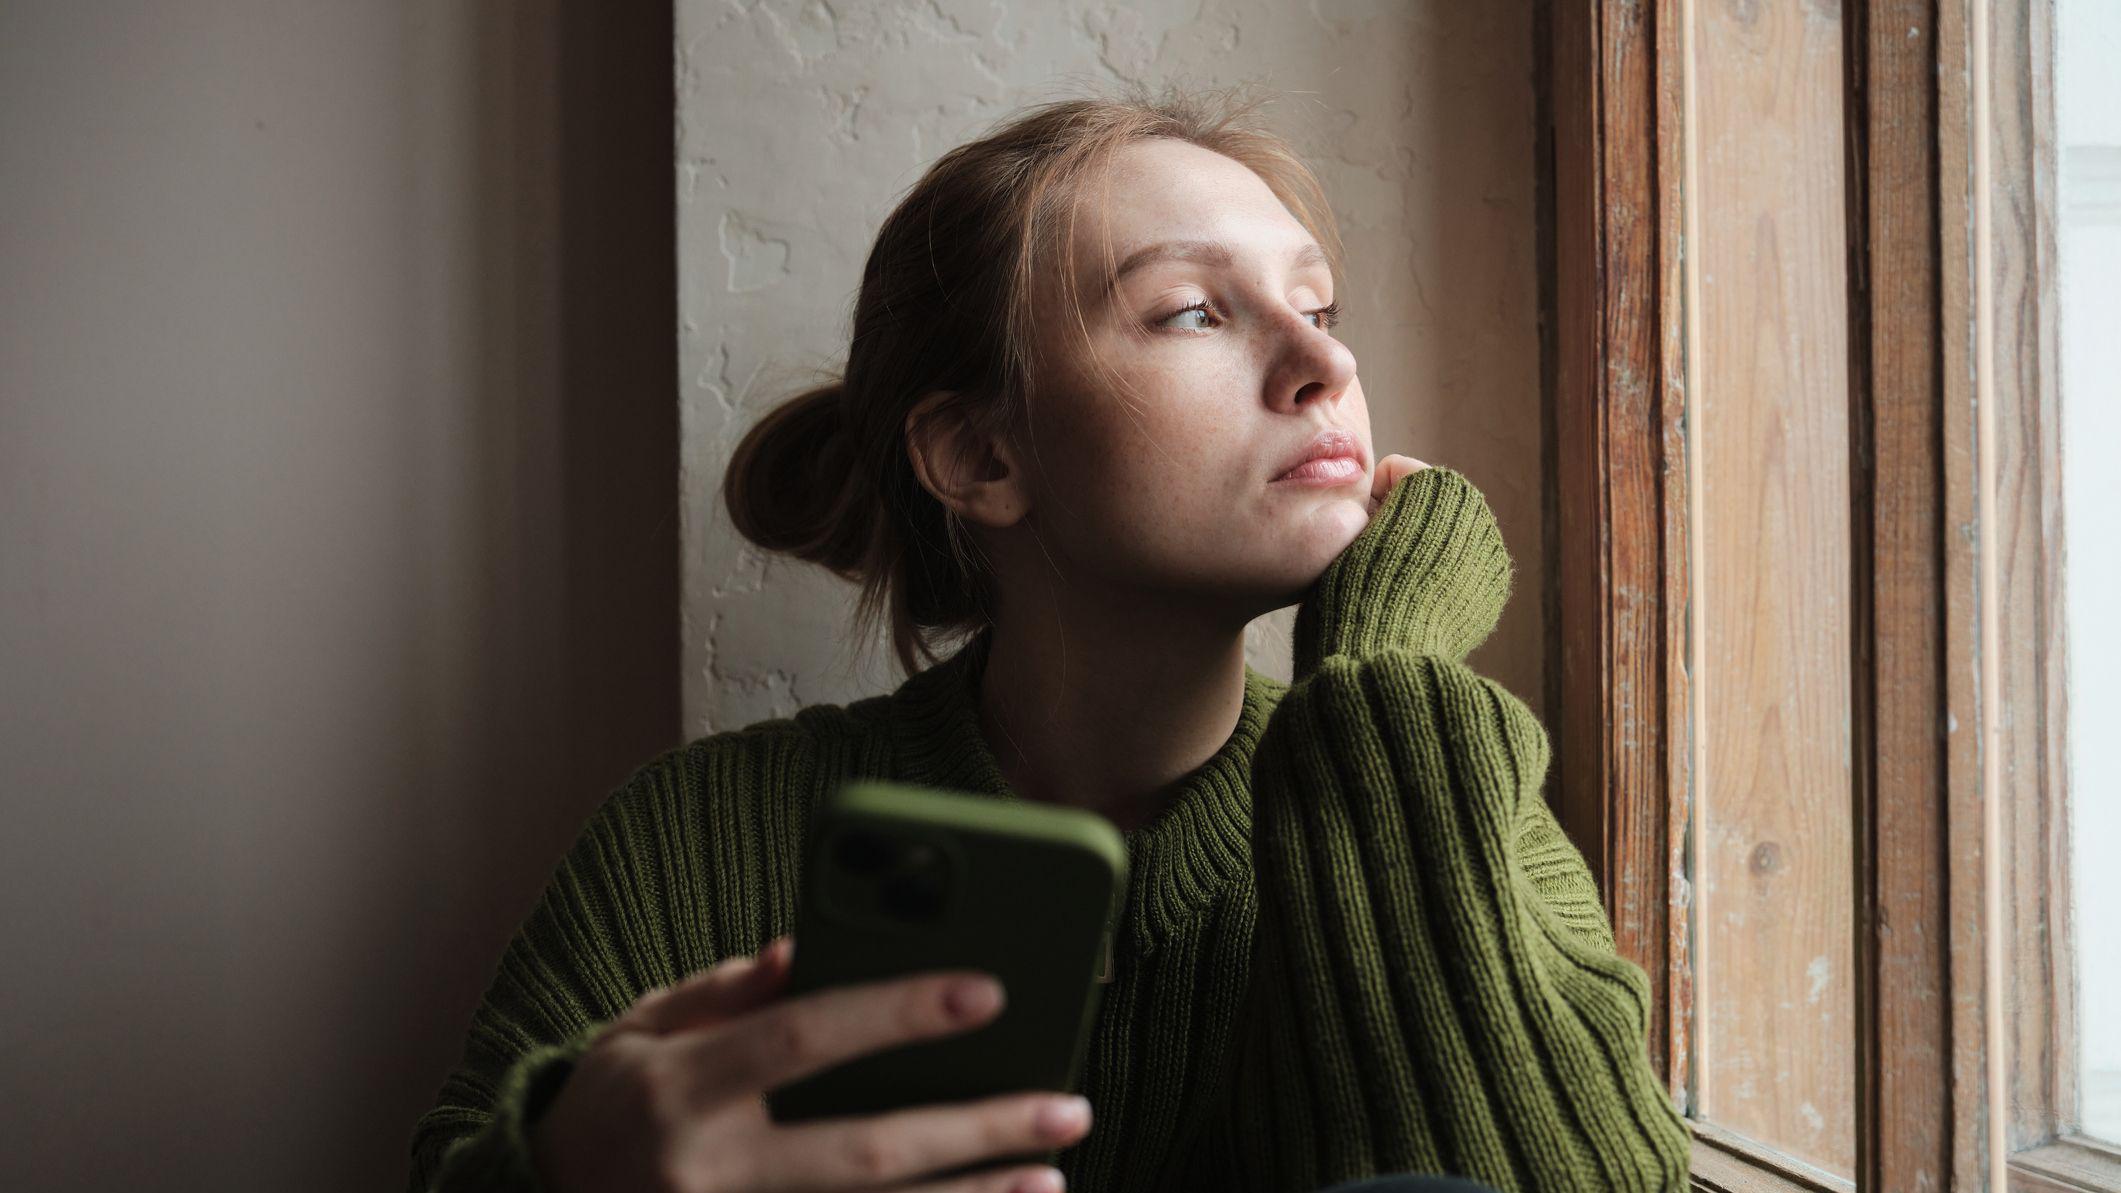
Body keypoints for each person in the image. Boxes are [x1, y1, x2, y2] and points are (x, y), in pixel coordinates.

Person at [406, 83, 1692, 1193]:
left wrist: (1384, 670)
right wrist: (574, 1165)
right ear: (979, 452)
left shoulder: (1443, 798)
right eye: (1193, 310)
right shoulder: (698, 845)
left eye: (1322, 304)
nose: (1320, 361)